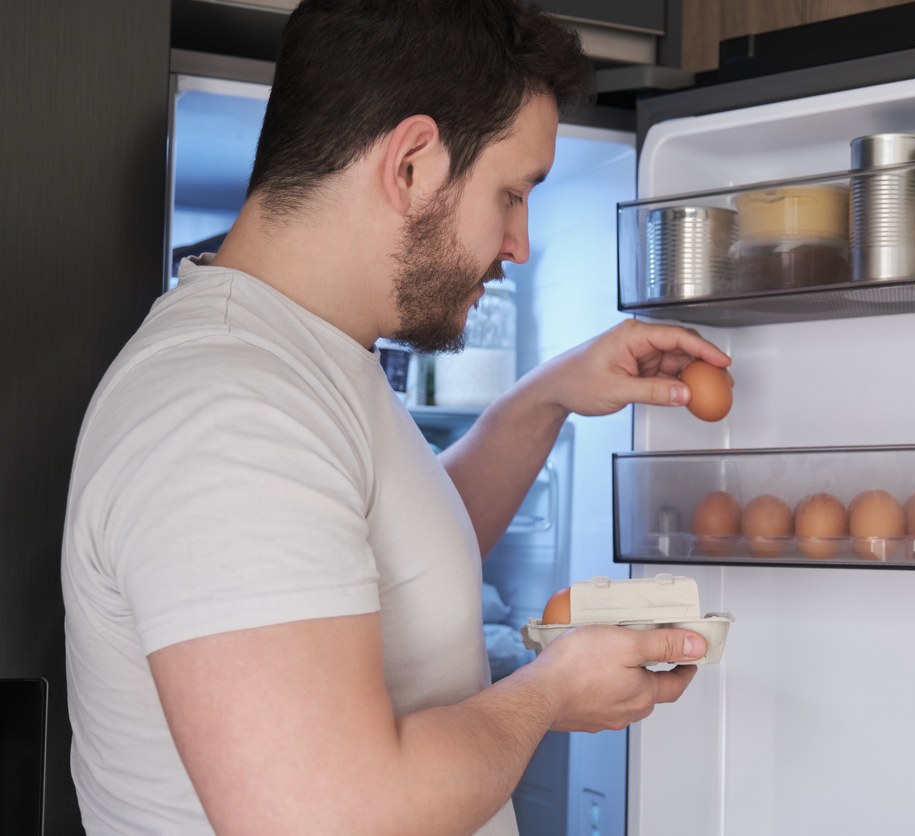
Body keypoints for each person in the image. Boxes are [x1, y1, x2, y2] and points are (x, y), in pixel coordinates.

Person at [60, 1, 731, 834]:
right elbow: (329, 820)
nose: (519, 242)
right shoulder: (228, 406)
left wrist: (546, 396)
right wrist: (550, 691)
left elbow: (397, 559)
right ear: (412, 163)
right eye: (512, 193)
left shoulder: (307, 360)